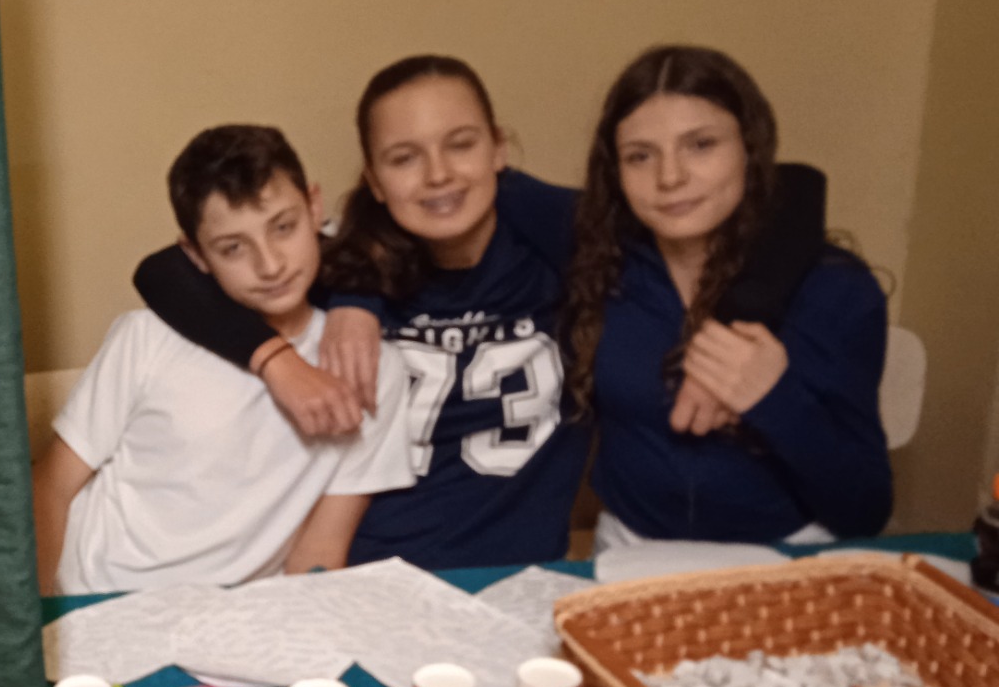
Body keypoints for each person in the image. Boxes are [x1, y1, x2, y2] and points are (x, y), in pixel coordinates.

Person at [133, 56, 827, 570]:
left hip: (518, 579)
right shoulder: (332, 262)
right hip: (360, 576)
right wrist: (287, 353)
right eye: (404, 157)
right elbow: (165, 271)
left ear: (499, 147)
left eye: (461, 144)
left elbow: (794, 191)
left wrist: (733, 325)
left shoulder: (567, 250)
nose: (438, 173)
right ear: (373, 179)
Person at [32, 125, 415, 594]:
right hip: (93, 591)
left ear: (315, 207)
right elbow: (51, 486)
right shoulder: (146, 337)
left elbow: (320, 551)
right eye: (234, 248)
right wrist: (40, 617)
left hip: (235, 617)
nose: (270, 265)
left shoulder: (372, 367)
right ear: (194, 254)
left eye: (283, 227)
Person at [561, 44, 891, 547]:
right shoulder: (597, 266)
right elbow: (480, 190)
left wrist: (773, 397)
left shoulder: (834, 289)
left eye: (701, 145)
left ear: (749, 149)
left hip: (785, 553)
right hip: (631, 549)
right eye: (640, 156)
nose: (670, 177)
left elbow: (866, 510)